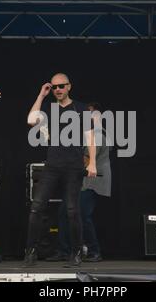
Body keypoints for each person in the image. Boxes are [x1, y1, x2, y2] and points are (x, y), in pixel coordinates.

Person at [25, 73, 97, 267]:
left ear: (69, 87)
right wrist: (41, 95)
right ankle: (30, 252)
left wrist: (92, 163)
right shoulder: (49, 108)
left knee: (73, 210)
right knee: (36, 207)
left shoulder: (81, 108)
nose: (57, 90)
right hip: (52, 165)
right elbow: (31, 120)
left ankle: (75, 253)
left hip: (74, 166)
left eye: (61, 86)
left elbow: (90, 138)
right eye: (54, 87)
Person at [46, 102, 111, 262]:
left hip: (92, 182)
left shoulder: (98, 136)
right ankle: (63, 250)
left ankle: (94, 251)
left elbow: (85, 160)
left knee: (82, 215)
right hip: (80, 182)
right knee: (63, 213)